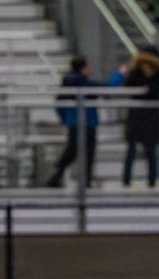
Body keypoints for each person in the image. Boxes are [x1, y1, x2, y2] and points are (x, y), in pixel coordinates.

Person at [47, 55, 104, 188]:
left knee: (72, 150)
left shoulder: (67, 84)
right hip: (88, 122)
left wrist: (65, 119)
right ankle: (86, 181)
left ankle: (58, 173)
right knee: (87, 152)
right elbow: (107, 87)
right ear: (83, 68)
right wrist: (120, 74)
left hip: (74, 122)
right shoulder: (85, 84)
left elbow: (59, 103)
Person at [122, 47, 159, 187]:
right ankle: (126, 180)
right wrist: (147, 88)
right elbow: (129, 86)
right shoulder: (135, 73)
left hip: (151, 116)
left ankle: (152, 180)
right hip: (136, 115)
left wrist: (149, 81)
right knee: (131, 149)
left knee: (151, 150)